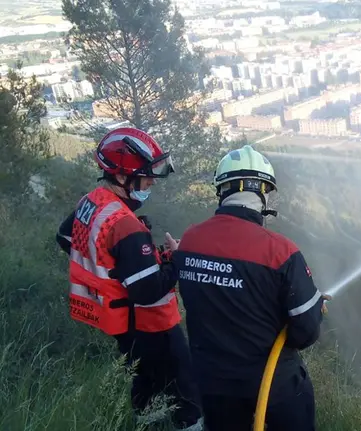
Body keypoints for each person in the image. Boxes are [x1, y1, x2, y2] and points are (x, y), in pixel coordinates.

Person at [171, 145, 329, 431]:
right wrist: (315, 309)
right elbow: (305, 332)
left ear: (222, 191)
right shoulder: (281, 252)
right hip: (273, 390)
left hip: (212, 387)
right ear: (263, 193)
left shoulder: (190, 241)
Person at [55, 127, 202, 431]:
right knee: (185, 391)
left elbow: (65, 236)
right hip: (152, 324)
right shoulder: (127, 226)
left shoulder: (94, 200)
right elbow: (148, 290)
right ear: (122, 176)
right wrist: (176, 258)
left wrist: (117, 264)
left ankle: (147, 425)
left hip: (119, 321)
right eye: (146, 175)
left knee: (144, 381)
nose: (150, 181)